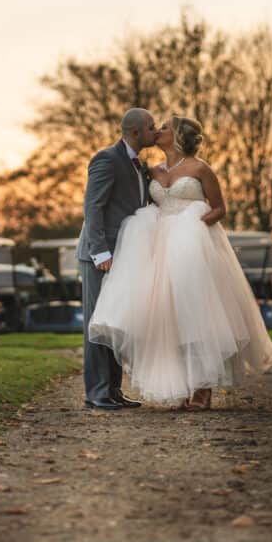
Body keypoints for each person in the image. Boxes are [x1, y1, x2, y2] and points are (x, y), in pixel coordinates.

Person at [88, 114, 272, 409]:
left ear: (177, 135)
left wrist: (192, 224)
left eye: (163, 127)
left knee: (197, 315)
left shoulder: (201, 168)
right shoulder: (151, 170)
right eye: (155, 127)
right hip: (157, 249)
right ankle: (177, 385)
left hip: (191, 246)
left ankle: (203, 389)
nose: (157, 131)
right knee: (166, 318)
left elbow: (219, 209)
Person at [76, 108, 159, 410]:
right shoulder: (106, 159)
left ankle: (113, 390)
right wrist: (100, 252)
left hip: (124, 255)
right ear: (135, 132)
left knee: (117, 321)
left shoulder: (139, 164)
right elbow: (93, 207)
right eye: (151, 127)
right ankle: (96, 392)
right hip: (101, 255)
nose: (155, 131)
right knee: (99, 322)